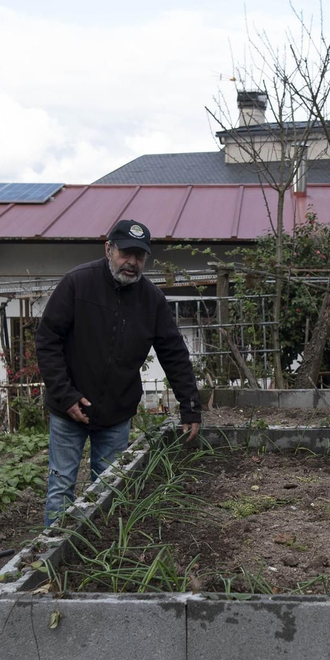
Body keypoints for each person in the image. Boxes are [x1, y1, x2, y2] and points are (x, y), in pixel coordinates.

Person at [35, 219, 201, 526]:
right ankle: (51, 563)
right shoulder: (78, 283)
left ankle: (98, 558)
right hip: (68, 408)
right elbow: (47, 340)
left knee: (108, 489)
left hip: (116, 413)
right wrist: (65, 393)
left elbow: (174, 353)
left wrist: (190, 405)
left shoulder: (151, 300)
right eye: (126, 253)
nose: (132, 262)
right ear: (109, 249)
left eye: (139, 257)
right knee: (61, 487)